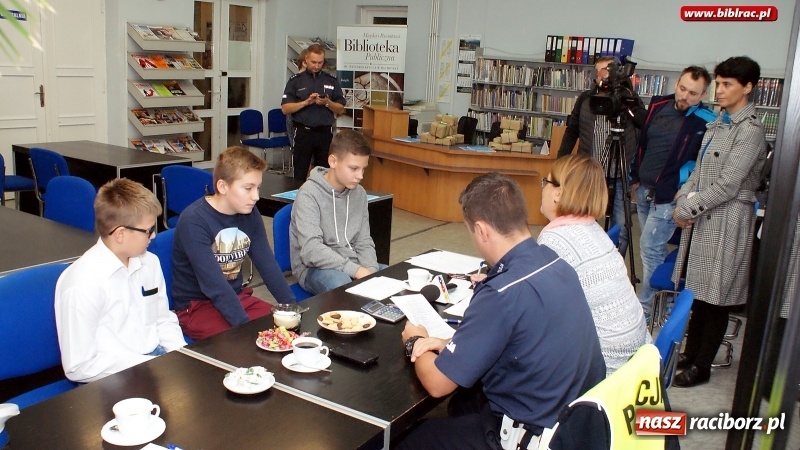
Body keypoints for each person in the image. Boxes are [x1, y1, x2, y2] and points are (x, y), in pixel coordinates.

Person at [396, 172, 606, 449]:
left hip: (529, 436)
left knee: (407, 439)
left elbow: (438, 384)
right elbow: (527, 334)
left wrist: (415, 341)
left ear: (482, 230)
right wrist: (449, 343)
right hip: (575, 422)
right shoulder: (556, 263)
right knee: (463, 403)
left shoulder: (500, 293)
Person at [672, 56, 768, 388]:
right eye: (720, 82)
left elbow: (728, 184)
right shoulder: (717, 124)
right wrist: (681, 198)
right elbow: (697, 172)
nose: (720, 90)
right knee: (699, 293)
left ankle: (703, 365)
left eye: (728, 84)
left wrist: (687, 208)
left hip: (728, 220)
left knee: (717, 297)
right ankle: (691, 352)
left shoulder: (750, 130)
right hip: (704, 217)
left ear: (748, 87)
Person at [55, 179, 186, 383]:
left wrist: (180, 353)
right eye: (148, 230)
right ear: (120, 234)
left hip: (155, 359)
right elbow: (79, 366)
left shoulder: (149, 262)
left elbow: (162, 318)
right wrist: (149, 367)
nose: (153, 236)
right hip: (112, 374)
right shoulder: (82, 283)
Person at [538, 154, 651, 375]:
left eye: (546, 182)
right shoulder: (592, 229)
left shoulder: (556, 239)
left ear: (558, 194)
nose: (542, 188)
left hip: (605, 370)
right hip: (635, 359)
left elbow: (537, 313)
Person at [172, 146, 295, 340]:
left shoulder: (249, 212)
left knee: (283, 329)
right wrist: (244, 328)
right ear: (222, 187)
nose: (255, 196)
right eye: (248, 188)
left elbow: (268, 266)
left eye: (257, 188)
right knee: (250, 340)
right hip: (196, 307)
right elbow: (214, 286)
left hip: (235, 297)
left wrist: (291, 310)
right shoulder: (194, 221)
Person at [629, 66, 714, 315]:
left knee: (649, 247)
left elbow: (702, 163)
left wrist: (684, 195)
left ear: (703, 95)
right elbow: (643, 143)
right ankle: (659, 303)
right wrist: (635, 174)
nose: (685, 97)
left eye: (693, 94)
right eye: (683, 89)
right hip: (644, 190)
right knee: (652, 249)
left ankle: (650, 308)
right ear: (677, 83)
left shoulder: (706, 121)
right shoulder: (658, 105)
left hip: (669, 196)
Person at [557, 56, 643, 255]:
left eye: (608, 69)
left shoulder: (629, 98)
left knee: (621, 226)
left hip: (621, 172)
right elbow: (572, 130)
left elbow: (643, 126)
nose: (603, 75)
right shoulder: (586, 99)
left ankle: (614, 263)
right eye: (599, 71)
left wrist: (627, 104)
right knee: (583, 221)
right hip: (591, 173)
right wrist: (561, 162)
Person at [290, 129, 380, 295]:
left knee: (391, 278)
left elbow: (364, 240)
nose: (360, 176)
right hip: (313, 268)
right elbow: (311, 250)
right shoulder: (309, 194)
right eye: (353, 168)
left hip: (352, 263)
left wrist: (371, 270)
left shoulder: (359, 193)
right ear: (333, 161)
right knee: (342, 284)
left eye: (363, 169)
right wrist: (357, 271)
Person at [281, 43, 346, 181]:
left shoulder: (331, 80)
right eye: (313, 62)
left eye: (320, 62)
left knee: (324, 174)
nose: (316, 66)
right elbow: (285, 108)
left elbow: (341, 109)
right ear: (306, 59)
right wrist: (305, 102)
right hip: (303, 133)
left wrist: (328, 103)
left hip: (324, 133)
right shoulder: (296, 81)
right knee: (300, 172)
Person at [286, 49, 308, 149]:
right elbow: (287, 106)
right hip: (297, 120)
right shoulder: (295, 81)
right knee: (300, 152)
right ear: (304, 63)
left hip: (312, 122)